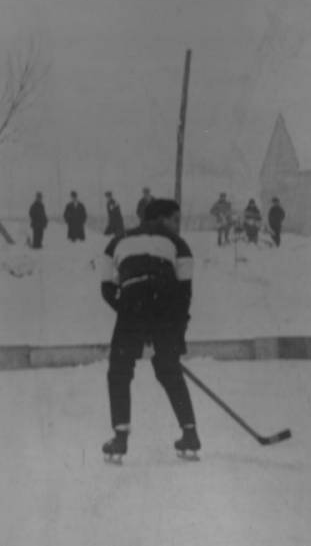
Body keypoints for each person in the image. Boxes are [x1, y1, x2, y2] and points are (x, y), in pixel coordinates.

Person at [99, 198, 199, 463]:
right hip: (165, 302)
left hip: (131, 298)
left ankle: (120, 439)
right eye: (175, 220)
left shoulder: (117, 240)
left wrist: (128, 309)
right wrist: (175, 334)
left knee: (119, 369)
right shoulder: (179, 244)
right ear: (161, 219)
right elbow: (183, 295)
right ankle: (190, 434)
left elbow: (107, 286)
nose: (178, 226)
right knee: (169, 370)